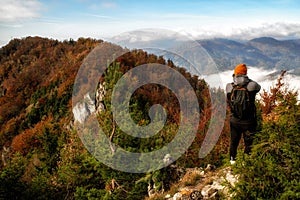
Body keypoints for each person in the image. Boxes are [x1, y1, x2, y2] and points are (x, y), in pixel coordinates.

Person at [226, 63, 261, 164]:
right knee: (249, 143)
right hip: (249, 121)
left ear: (235, 74)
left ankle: (232, 161)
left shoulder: (229, 86)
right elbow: (259, 87)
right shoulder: (252, 85)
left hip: (235, 120)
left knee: (234, 142)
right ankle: (246, 163)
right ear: (245, 73)